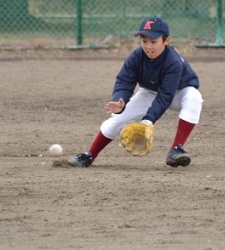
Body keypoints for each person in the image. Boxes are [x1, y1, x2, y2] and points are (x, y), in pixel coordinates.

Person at [68, 16, 203, 167]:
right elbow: (125, 80)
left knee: (194, 97)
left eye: (154, 42)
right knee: (118, 119)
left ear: (166, 41)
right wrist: (120, 101)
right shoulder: (137, 56)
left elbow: (165, 96)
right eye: (144, 41)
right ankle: (89, 155)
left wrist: (147, 121)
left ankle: (176, 149)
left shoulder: (173, 61)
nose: (148, 46)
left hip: (179, 92)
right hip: (150, 92)